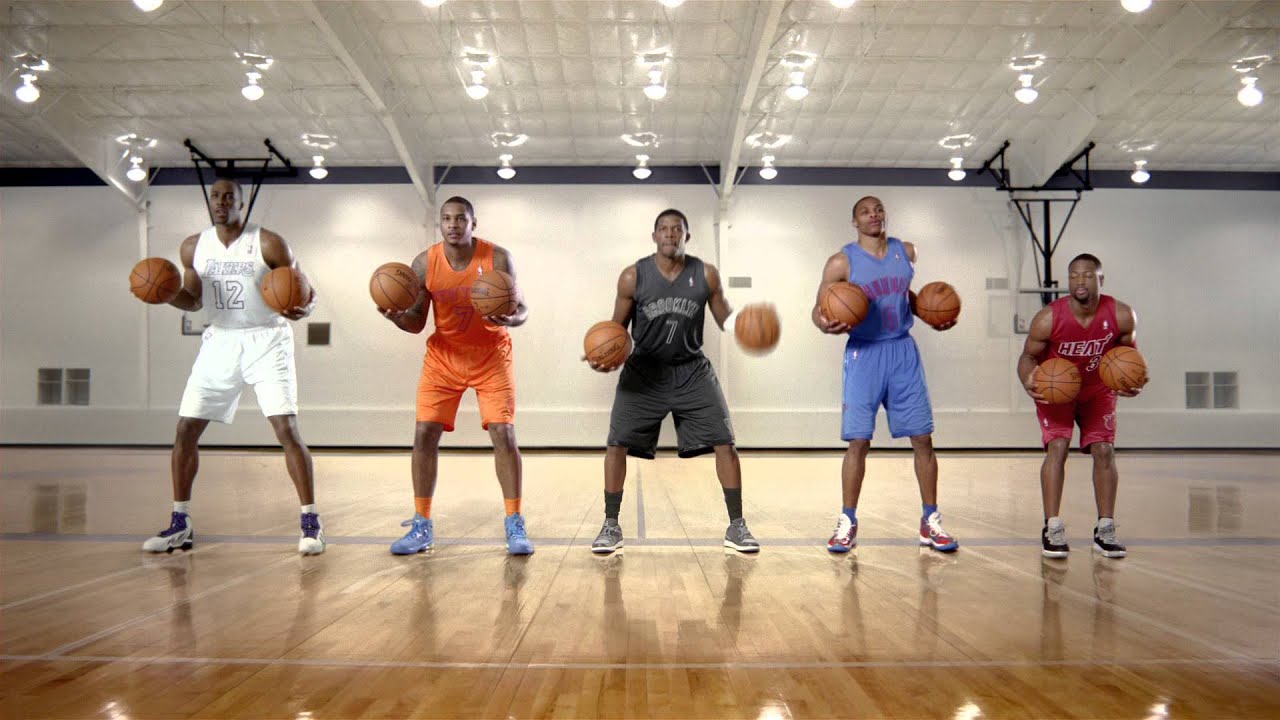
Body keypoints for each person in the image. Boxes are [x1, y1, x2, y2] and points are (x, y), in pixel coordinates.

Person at [141, 175, 324, 555]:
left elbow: (306, 291)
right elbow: (193, 300)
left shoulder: (269, 242)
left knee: (286, 428)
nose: (222, 202)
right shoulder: (193, 247)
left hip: (267, 339)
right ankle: (180, 523)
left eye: (229, 197)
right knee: (186, 428)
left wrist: (304, 309)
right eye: (216, 196)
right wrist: (167, 294)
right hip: (220, 340)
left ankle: (311, 524)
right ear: (210, 202)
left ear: (242, 203)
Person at [586, 208, 759, 555]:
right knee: (616, 444)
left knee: (725, 442)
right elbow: (616, 329)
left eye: (676, 229)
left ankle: (737, 525)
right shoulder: (633, 276)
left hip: (691, 370)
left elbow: (724, 317)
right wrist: (602, 355)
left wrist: (748, 322)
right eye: (663, 229)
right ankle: (610, 524)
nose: (669, 234)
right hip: (644, 371)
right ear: (654, 236)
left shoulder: (705, 274)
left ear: (686, 236)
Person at [381, 196, 532, 555]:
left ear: (473, 224)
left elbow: (523, 308)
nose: (453, 224)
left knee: (504, 433)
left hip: (491, 355)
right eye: (446, 219)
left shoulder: (497, 258)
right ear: (440, 223)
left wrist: (511, 318)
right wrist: (396, 317)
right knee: (424, 433)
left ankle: (514, 521)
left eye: (460, 218)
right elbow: (416, 323)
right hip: (444, 357)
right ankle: (422, 524)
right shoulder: (425, 263)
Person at [812, 195, 958, 554]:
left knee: (923, 438)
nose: (873, 215)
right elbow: (818, 309)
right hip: (864, 352)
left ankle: (931, 519)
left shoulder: (905, 251)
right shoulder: (841, 261)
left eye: (878, 209)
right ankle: (847, 521)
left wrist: (931, 314)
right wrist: (824, 324)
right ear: (855, 221)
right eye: (865, 212)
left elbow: (904, 296)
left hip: (903, 351)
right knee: (858, 442)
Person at [1016, 253, 1143, 559]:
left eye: (1087, 275)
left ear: (1101, 279)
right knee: (1058, 446)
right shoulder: (1048, 318)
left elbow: (1129, 357)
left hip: (1097, 389)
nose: (1080, 281)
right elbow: (1028, 356)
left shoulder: (1122, 314)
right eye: (1074, 275)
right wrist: (1027, 379)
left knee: (1104, 450)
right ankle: (1052, 527)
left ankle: (1105, 529)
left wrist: (1134, 380)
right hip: (1058, 387)